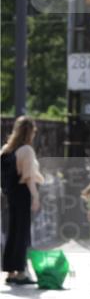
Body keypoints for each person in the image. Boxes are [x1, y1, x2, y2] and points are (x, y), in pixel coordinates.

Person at [1, 116, 43, 285]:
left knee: (12, 232)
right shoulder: (27, 150)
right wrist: (35, 197)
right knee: (23, 233)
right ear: (31, 132)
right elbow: (29, 177)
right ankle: (20, 272)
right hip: (23, 193)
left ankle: (10, 272)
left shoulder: (6, 149)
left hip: (10, 194)